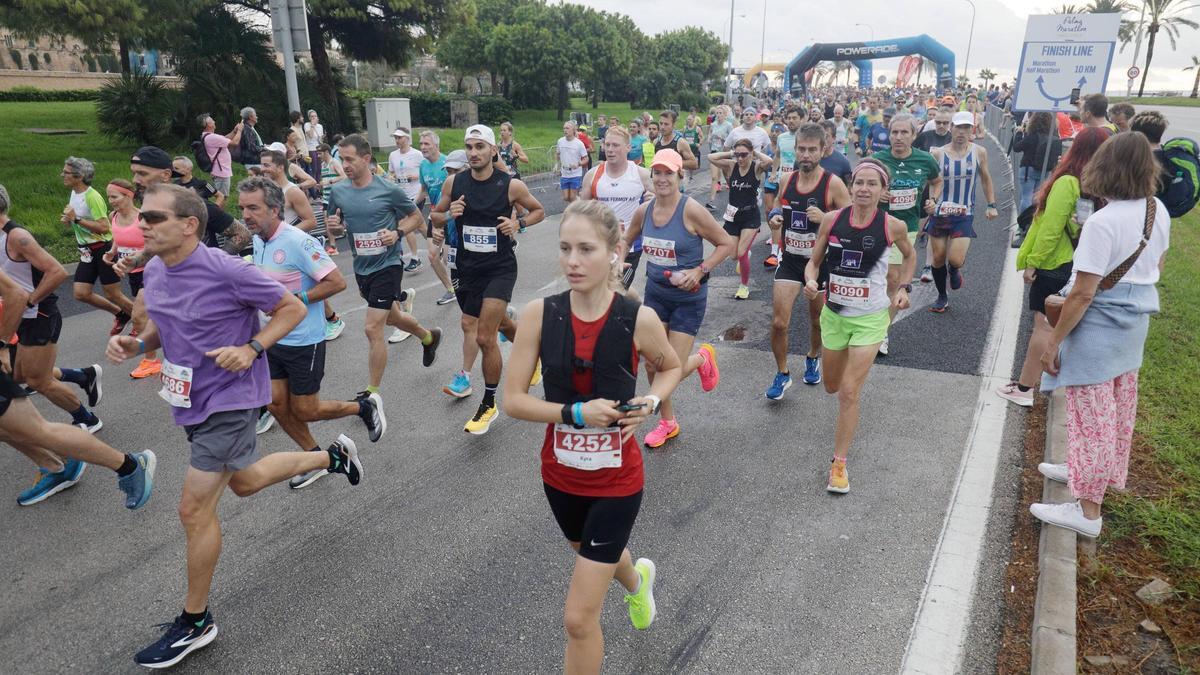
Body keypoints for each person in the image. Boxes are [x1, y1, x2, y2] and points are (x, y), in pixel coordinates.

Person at [105, 183, 362, 668]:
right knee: (244, 482)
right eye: (142, 217)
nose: (142, 225)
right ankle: (333, 456)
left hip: (232, 398)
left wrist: (253, 349)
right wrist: (138, 346)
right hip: (190, 398)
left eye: (154, 218)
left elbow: (288, 307)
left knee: (193, 509)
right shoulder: (157, 269)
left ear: (189, 225)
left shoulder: (228, 270)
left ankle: (196, 621)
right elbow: (168, 323)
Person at [503, 199, 682, 673]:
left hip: (617, 481)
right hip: (560, 476)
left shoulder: (635, 318)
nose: (572, 261)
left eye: (586, 249)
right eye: (565, 249)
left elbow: (670, 366)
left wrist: (650, 400)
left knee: (579, 620)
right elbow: (513, 400)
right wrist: (575, 412)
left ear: (615, 251)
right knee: (589, 551)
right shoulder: (541, 315)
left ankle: (631, 587)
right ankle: (638, 582)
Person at [1031, 131, 1171, 538]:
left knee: (1092, 415)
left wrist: (1053, 342)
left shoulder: (1102, 222)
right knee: (1117, 407)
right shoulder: (1155, 209)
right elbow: (1157, 263)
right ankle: (1086, 471)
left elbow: (1083, 292)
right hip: (1135, 321)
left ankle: (1087, 510)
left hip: (1100, 325)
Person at [238, 176, 386, 489]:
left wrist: (292, 300)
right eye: (242, 208)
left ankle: (364, 406)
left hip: (304, 339)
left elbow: (336, 283)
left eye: (253, 208)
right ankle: (315, 456)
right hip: (272, 338)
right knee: (276, 405)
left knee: (305, 409)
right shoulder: (259, 239)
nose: (246, 215)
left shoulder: (297, 241)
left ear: (275, 209)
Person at [803, 159, 915, 493]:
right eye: (859, 183)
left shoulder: (891, 226)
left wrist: (904, 288)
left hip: (870, 319)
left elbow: (910, 257)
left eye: (872, 184)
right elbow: (814, 261)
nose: (864, 189)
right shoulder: (832, 220)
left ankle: (839, 464)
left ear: (883, 192)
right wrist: (810, 281)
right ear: (851, 187)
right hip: (834, 316)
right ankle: (837, 394)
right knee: (833, 386)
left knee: (850, 392)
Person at [431, 125, 546, 434]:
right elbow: (434, 216)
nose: (473, 152)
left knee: (484, 336)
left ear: (493, 150)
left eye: (480, 146)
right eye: (469, 146)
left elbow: (539, 211)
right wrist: (448, 214)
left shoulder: (509, 185)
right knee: (494, 325)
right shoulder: (454, 182)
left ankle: (489, 403)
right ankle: (532, 348)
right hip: (468, 270)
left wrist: (518, 223)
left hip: (500, 268)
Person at [619, 150, 735, 448]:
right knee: (650, 364)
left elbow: (725, 244)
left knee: (669, 366)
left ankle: (701, 359)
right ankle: (667, 423)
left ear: (679, 175)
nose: (661, 178)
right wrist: (619, 261)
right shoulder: (644, 211)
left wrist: (700, 270)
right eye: (656, 172)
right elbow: (626, 239)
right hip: (656, 295)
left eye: (668, 173)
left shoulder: (691, 210)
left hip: (688, 300)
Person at [997, 127, 1110, 407]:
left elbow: (1050, 228)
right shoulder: (1100, 185)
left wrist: (1033, 263)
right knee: (1055, 325)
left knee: (1043, 326)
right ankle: (1038, 381)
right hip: (1078, 261)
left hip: (1054, 263)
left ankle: (1024, 388)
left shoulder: (1068, 182)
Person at [325, 134, 442, 399]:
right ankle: (428, 337)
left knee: (372, 327)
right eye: (342, 159)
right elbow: (336, 223)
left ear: (366, 159)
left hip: (387, 265)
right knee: (394, 317)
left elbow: (414, 216)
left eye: (350, 159)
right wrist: (337, 228)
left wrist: (397, 233)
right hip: (362, 266)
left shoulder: (387, 189)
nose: (345, 165)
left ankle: (372, 393)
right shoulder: (339, 191)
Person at [0, 183, 103, 432]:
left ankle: (88, 420)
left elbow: (56, 272)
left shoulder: (16, 236)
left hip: (39, 313)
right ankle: (82, 375)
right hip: (18, 315)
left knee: (38, 379)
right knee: (17, 375)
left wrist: (31, 300)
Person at [765, 123, 852, 397]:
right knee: (779, 322)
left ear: (823, 150)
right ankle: (782, 373)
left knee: (816, 321)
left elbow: (853, 224)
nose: (805, 155)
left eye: (811, 150)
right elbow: (779, 205)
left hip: (820, 264)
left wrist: (826, 219)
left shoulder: (833, 184)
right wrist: (774, 217)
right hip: (790, 260)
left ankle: (813, 356)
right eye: (801, 149)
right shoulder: (786, 180)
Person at [871, 112, 941, 355]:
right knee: (873, 279)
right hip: (875, 225)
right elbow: (857, 185)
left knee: (892, 279)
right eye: (894, 132)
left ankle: (881, 334)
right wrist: (876, 194)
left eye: (904, 133)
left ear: (914, 135)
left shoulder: (925, 159)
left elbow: (937, 180)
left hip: (907, 227)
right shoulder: (877, 160)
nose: (898, 137)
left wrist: (932, 200)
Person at [924, 111, 999, 313]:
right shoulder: (938, 153)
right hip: (939, 213)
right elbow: (932, 182)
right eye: (958, 127)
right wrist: (930, 202)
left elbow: (985, 178)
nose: (962, 132)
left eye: (967, 128)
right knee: (937, 258)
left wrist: (992, 204)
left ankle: (954, 269)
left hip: (964, 213)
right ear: (951, 128)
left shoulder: (979, 152)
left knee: (955, 259)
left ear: (971, 131)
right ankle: (942, 296)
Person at [62, 156, 134, 335]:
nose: (62, 175)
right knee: (81, 293)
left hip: (102, 248)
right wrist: (70, 220)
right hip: (86, 251)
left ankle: (145, 322)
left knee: (113, 294)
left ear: (79, 176)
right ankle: (122, 314)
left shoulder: (92, 196)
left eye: (66, 172)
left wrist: (76, 219)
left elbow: (103, 227)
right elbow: (78, 220)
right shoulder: (74, 192)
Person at [428, 150, 479, 398]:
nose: (451, 176)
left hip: (484, 262)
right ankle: (505, 318)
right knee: (476, 317)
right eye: (448, 171)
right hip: (456, 257)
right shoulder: (446, 191)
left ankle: (465, 377)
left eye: (455, 171)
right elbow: (436, 218)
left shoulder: (485, 189)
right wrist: (438, 232)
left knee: (469, 322)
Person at [580, 125, 653, 290]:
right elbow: (580, 212)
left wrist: (655, 200)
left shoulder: (641, 174)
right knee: (598, 292)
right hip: (600, 245)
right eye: (607, 145)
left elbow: (669, 201)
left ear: (628, 148)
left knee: (617, 291)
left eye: (616, 145)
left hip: (630, 246)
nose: (610, 150)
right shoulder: (593, 175)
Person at [102, 178, 162, 379]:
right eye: (109, 196)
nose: (110, 200)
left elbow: (156, 244)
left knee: (138, 316)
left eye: (114, 196)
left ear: (128, 196)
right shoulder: (113, 216)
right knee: (153, 314)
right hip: (133, 274)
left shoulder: (142, 218)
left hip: (152, 270)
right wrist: (112, 252)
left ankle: (151, 361)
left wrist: (136, 258)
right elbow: (118, 239)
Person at [708, 139, 773, 299]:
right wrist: (731, 153)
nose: (741, 159)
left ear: (750, 154)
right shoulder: (732, 165)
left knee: (742, 253)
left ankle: (744, 286)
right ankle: (744, 255)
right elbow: (711, 157)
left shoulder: (756, 167)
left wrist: (755, 153)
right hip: (732, 216)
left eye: (744, 155)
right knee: (733, 255)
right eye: (738, 155)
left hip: (750, 216)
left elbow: (769, 161)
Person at [417, 130, 457, 306]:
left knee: (451, 259)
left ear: (436, 145)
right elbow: (424, 190)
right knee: (432, 256)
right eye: (421, 144)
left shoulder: (447, 163)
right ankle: (451, 289)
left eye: (426, 144)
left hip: (451, 216)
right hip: (435, 215)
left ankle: (464, 284)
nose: (423, 147)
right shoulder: (423, 166)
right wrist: (409, 206)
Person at [763, 107, 803, 267]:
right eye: (789, 118)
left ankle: (793, 250)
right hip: (782, 182)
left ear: (802, 119)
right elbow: (778, 155)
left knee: (796, 218)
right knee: (776, 213)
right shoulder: (782, 137)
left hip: (800, 184)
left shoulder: (805, 138)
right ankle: (775, 252)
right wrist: (773, 172)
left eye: (795, 118)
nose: (791, 121)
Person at [387, 128, 426, 273]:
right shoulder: (393, 155)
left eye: (399, 137)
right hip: (401, 195)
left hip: (416, 194)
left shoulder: (417, 154)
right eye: (395, 138)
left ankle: (416, 258)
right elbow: (391, 172)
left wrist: (416, 176)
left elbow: (424, 169)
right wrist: (391, 177)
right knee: (420, 226)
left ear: (407, 138)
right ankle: (436, 246)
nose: (397, 141)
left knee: (406, 224)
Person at [1012, 112, 1063, 213]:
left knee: (1026, 197)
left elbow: (1017, 147)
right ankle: (1033, 221)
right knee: (1036, 197)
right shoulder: (1053, 138)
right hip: (1044, 170)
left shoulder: (1032, 136)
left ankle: (1023, 223)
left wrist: (1018, 133)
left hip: (1028, 169)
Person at [260, 148, 316, 232]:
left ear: (280, 168)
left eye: (266, 165)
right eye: (262, 165)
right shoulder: (264, 189)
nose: (262, 169)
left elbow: (311, 222)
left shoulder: (293, 192)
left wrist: (283, 234)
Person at [198, 114, 242, 198]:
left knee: (221, 196)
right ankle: (219, 211)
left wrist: (235, 131)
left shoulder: (208, 136)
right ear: (208, 125)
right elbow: (235, 143)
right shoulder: (211, 137)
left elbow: (225, 138)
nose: (214, 121)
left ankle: (218, 210)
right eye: (212, 120)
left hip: (219, 171)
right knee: (222, 198)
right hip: (221, 172)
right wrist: (240, 130)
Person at [317, 142, 346, 255]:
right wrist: (321, 185)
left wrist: (329, 181)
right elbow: (325, 179)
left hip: (337, 196)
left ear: (326, 152)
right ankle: (333, 246)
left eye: (320, 154)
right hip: (326, 197)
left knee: (339, 220)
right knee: (326, 220)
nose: (318, 156)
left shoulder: (334, 162)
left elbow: (343, 176)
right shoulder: (323, 165)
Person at [706, 105, 733, 208]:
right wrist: (710, 138)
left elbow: (731, 140)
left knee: (727, 176)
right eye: (717, 113)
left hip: (724, 153)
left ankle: (735, 193)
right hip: (714, 152)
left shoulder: (728, 125)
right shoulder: (713, 125)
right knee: (714, 177)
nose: (718, 115)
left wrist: (722, 138)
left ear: (725, 115)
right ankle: (712, 201)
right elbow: (709, 136)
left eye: (720, 113)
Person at [557, 121, 590, 203]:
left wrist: (578, 164)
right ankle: (580, 203)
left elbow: (586, 158)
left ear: (573, 130)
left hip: (575, 173)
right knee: (566, 197)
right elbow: (558, 154)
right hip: (564, 173)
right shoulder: (560, 141)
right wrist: (556, 165)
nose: (565, 130)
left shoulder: (579, 143)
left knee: (572, 197)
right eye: (564, 128)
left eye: (567, 128)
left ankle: (575, 211)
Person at [237, 106, 265, 173]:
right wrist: (264, 148)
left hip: (253, 161)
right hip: (252, 162)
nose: (257, 117)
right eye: (255, 115)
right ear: (250, 117)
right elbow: (251, 147)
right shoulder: (247, 129)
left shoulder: (250, 128)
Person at [303, 109, 325, 182]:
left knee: (319, 168)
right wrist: (312, 125)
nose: (314, 118)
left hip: (318, 148)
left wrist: (323, 137)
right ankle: (313, 184)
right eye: (312, 116)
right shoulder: (307, 125)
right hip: (311, 149)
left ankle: (319, 186)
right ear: (309, 118)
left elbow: (320, 140)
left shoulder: (320, 126)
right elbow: (311, 136)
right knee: (314, 168)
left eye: (315, 116)